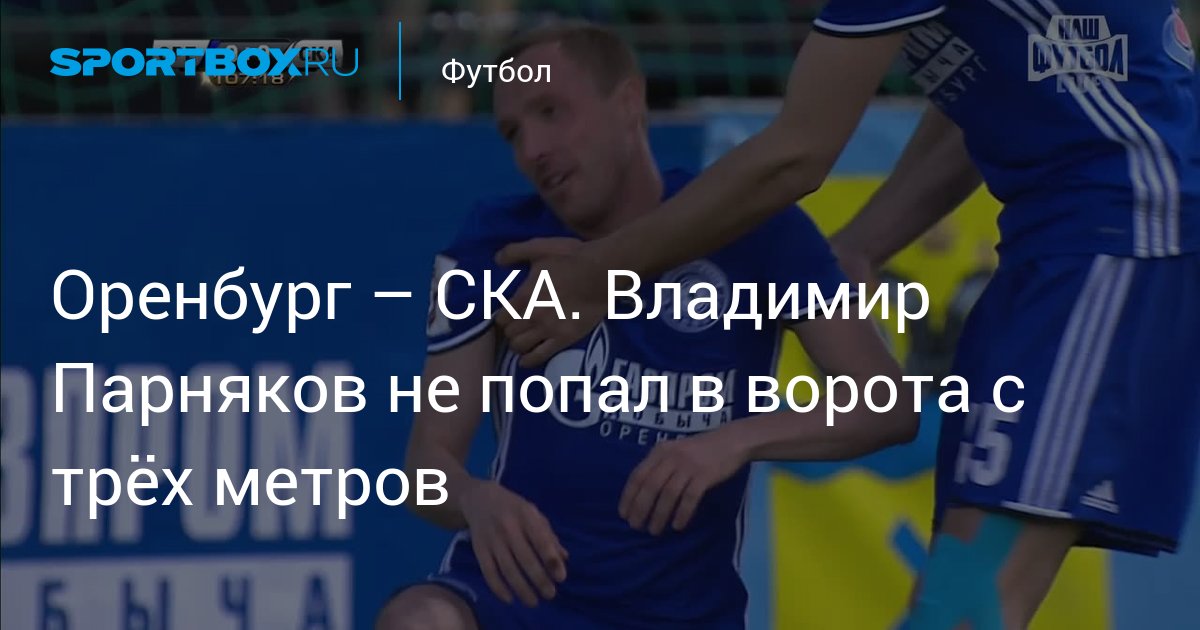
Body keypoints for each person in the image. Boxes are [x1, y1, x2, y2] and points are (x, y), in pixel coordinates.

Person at [494, 3, 1200, 629]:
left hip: (1119, 231)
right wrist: (859, 247)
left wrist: (601, 272)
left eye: (551, 113)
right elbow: (996, 91)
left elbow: (797, 154)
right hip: (1065, 242)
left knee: (967, 606)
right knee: (956, 598)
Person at [375, 21, 918, 630]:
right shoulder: (497, 242)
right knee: (416, 620)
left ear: (628, 100)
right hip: (516, 601)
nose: (533, 149)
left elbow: (887, 406)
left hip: (682, 614)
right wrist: (476, 501)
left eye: (551, 111)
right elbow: (426, 468)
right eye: (514, 133)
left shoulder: (754, 228)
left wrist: (732, 441)